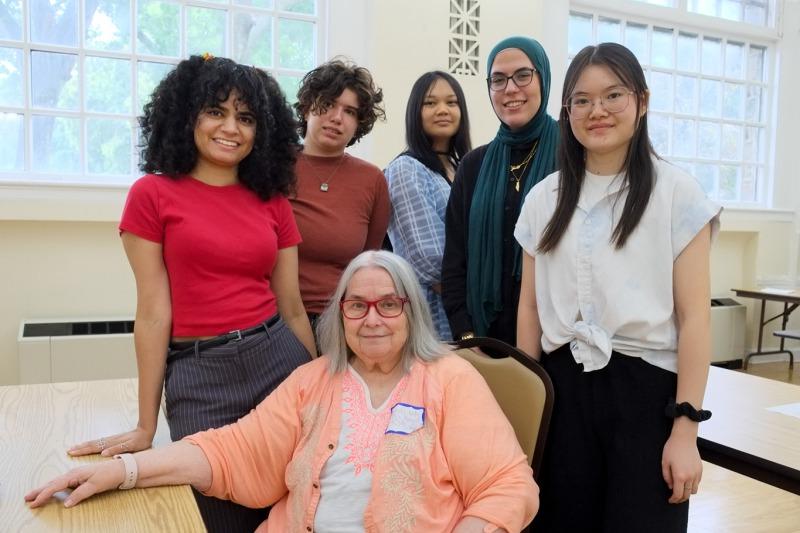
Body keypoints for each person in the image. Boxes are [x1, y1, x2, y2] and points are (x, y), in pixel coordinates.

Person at [28, 251, 539, 533]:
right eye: (356, 306)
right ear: (340, 315)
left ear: (412, 311)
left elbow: (507, 485)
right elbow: (233, 450)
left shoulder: (449, 379)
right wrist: (123, 471)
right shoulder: (314, 381)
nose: (373, 318)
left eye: (389, 304)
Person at [66, 55, 316, 532]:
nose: (231, 128)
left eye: (245, 118)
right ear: (187, 116)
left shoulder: (272, 201)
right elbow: (154, 314)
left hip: (280, 362)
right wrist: (145, 425)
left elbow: (293, 309)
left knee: (301, 506)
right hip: (200, 377)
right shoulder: (152, 196)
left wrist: (321, 383)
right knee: (221, 517)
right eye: (215, 112)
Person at [514, 43, 721, 532]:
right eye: (581, 100)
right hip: (561, 396)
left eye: (613, 95)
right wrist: (525, 412)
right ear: (566, 112)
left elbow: (696, 319)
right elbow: (529, 310)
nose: (597, 111)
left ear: (642, 102)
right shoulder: (544, 199)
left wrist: (685, 429)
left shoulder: (677, 193)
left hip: (646, 396)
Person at [442, 36, 559, 346]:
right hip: (484, 339)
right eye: (498, 79)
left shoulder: (572, 157)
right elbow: (454, 261)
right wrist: (467, 335)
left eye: (523, 75)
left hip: (557, 343)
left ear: (543, 78)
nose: (510, 88)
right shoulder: (473, 165)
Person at [290, 59, 391, 327]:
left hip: (344, 320)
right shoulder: (274, 167)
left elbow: (369, 262)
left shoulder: (372, 179)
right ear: (307, 107)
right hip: (276, 321)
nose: (337, 118)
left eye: (350, 111)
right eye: (329, 104)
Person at [384, 71, 472, 341]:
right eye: (430, 103)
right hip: (435, 315)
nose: (442, 110)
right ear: (415, 112)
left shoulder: (463, 167)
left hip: (467, 306)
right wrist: (470, 299)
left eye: (452, 102)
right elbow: (428, 257)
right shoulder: (406, 169)